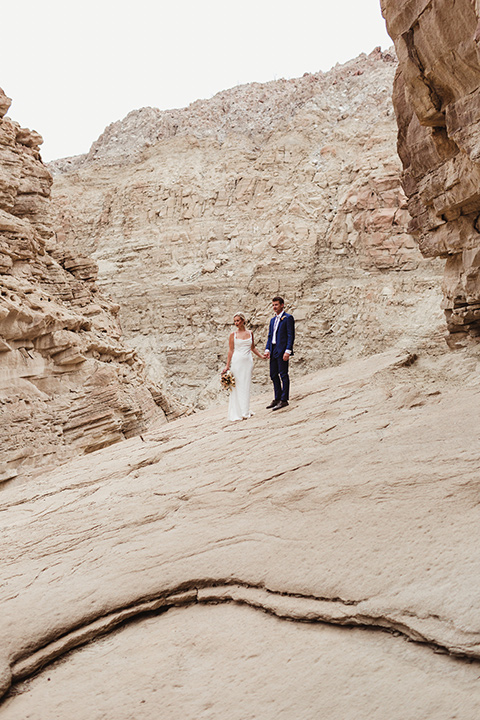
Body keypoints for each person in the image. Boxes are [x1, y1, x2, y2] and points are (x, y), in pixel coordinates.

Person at [222, 313, 265, 421]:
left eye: (238, 320)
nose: (236, 323)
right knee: (237, 386)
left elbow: (253, 348)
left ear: (243, 321)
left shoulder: (250, 333)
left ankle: (245, 410)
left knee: (246, 385)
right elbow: (231, 350)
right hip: (237, 362)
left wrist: (261, 356)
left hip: (248, 362)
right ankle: (239, 412)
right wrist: (227, 365)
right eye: (235, 321)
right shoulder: (233, 334)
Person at [264, 296, 295, 410]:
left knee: (283, 374)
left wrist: (288, 350)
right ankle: (277, 397)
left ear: (282, 305)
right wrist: (267, 349)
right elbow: (270, 336)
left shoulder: (288, 318)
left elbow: (290, 336)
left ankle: (284, 399)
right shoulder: (272, 320)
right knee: (273, 374)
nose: (274, 307)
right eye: (273, 305)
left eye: (276, 305)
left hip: (282, 350)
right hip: (273, 349)